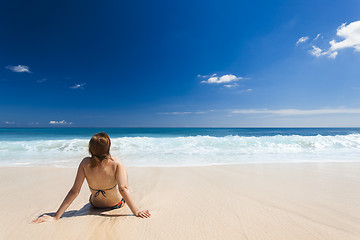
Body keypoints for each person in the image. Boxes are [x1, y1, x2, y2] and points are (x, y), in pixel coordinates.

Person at [32, 132, 150, 223]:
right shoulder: (116, 162)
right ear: (108, 148)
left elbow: (74, 191)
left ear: (90, 148)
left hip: (95, 204)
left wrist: (56, 216)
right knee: (124, 181)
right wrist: (136, 211)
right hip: (116, 204)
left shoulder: (85, 163)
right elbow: (123, 188)